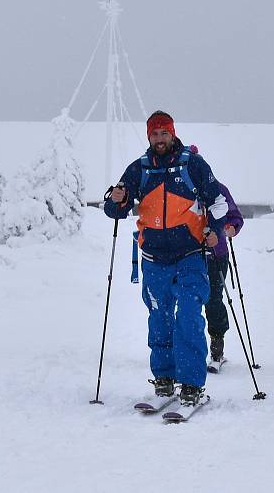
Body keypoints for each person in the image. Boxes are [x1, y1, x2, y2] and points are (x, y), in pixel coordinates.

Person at [104, 111, 228, 407]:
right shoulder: (140, 170)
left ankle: (191, 384)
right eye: (154, 134)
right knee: (159, 318)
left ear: (172, 134)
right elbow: (115, 211)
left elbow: (219, 203)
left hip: (189, 256)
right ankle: (163, 378)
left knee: (187, 317)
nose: (159, 139)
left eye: (164, 133)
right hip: (154, 259)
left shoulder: (193, 165)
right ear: (149, 137)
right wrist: (117, 199)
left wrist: (215, 230)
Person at [203, 180, 244, 370]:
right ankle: (187, 353)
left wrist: (232, 228)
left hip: (216, 255)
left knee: (213, 300)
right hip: (187, 256)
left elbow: (235, 216)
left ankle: (216, 352)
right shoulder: (179, 185)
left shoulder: (217, 188)